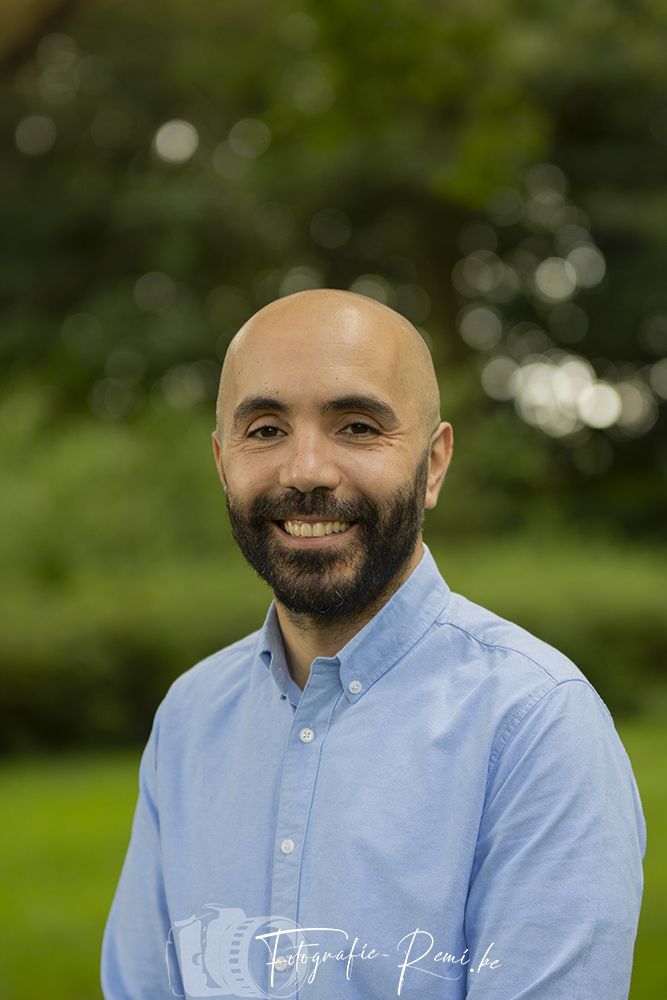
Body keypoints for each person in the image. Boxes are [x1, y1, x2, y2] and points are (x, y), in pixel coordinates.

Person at [102, 289, 645, 1000]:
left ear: (434, 464)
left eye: (356, 427)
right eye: (265, 429)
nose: (305, 470)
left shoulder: (535, 725)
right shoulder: (189, 717)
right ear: (222, 461)